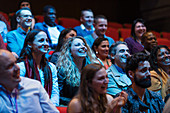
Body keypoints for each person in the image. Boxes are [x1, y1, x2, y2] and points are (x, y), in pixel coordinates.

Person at [17, 29, 59, 106]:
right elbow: (18, 94)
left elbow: (54, 92)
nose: (46, 44)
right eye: (41, 41)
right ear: (30, 44)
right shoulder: (21, 67)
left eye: (47, 40)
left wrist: (50, 107)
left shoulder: (51, 67)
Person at [56, 36, 96, 105]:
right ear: (70, 51)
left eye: (84, 45)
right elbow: (58, 95)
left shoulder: (91, 68)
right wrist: (77, 102)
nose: (83, 47)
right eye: (78, 45)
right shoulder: (62, 70)